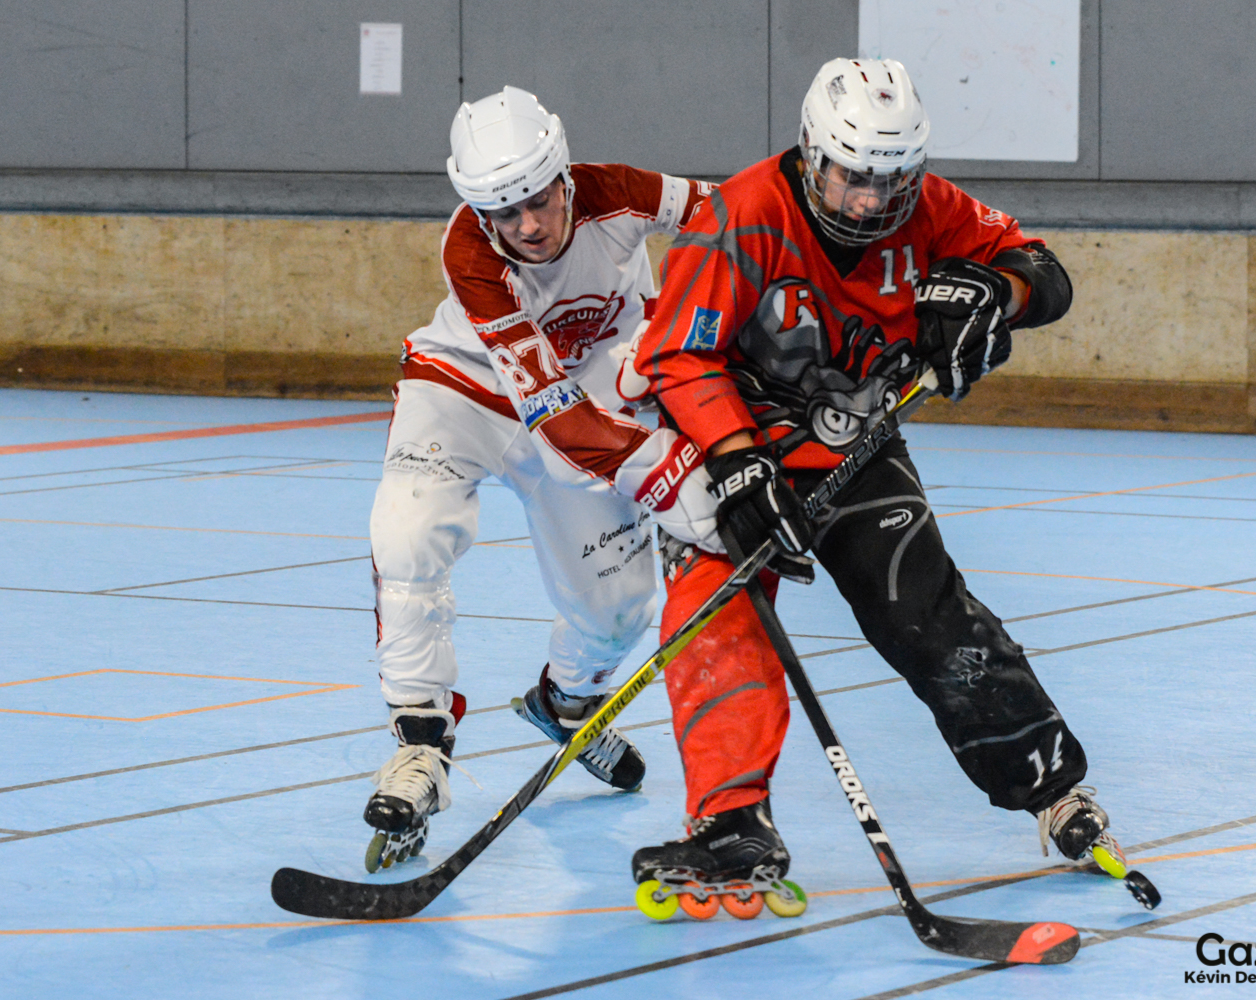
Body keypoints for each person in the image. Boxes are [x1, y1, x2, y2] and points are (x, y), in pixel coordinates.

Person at [626, 57, 1125, 906]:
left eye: (890, 182)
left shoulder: (929, 207)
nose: (868, 202)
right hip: (736, 447)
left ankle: (1050, 787)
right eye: (850, 177)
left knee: (927, 613)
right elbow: (676, 354)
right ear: (811, 152)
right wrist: (737, 462)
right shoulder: (740, 216)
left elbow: (1044, 273)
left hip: (856, 447)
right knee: (716, 619)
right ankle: (731, 821)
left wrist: (998, 293)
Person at [362, 86, 719, 872]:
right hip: (468, 391)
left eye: (538, 201)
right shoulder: (470, 251)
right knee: (407, 530)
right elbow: (550, 412)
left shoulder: (619, 191)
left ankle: (568, 701)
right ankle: (420, 743)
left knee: (619, 608)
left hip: (588, 395)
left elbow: (734, 216)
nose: (526, 226)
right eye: (503, 212)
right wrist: (672, 475)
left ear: (563, 177)